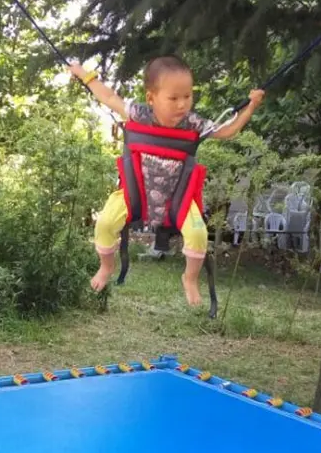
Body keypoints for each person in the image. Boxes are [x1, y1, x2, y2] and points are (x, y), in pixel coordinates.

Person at [69, 55, 265, 306]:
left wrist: (250, 107)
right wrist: (83, 73)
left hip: (177, 197)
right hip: (136, 192)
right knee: (105, 223)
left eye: (187, 96)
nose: (182, 104)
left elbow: (228, 131)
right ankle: (106, 267)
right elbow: (108, 97)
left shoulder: (193, 123)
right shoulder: (139, 114)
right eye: (173, 98)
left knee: (198, 233)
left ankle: (190, 278)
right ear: (151, 98)